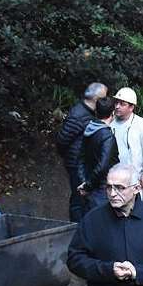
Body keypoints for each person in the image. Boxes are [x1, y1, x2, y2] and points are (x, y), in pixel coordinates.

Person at [56, 82, 107, 222]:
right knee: (78, 200)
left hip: (82, 163)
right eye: (104, 98)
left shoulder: (88, 113)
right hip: (76, 164)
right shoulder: (79, 114)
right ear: (96, 99)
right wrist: (72, 158)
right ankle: (76, 230)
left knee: (84, 198)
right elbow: (62, 140)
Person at [111, 87, 143, 195]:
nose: (117, 106)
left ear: (131, 107)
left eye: (122, 104)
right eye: (116, 102)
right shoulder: (110, 120)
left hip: (134, 176)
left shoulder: (141, 124)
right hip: (112, 173)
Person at [78, 97, 118, 215]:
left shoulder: (89, 129)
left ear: (96, 112)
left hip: (88, 185)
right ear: (113, 113)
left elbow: (80, 158)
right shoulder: (107, 136)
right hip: (101, 189)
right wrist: (88, 186)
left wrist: (84, 182)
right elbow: (103, 165)